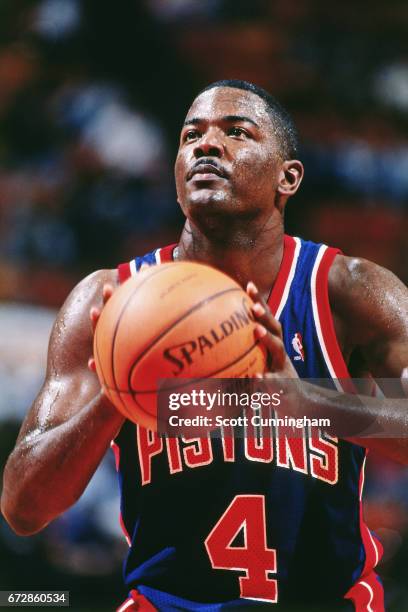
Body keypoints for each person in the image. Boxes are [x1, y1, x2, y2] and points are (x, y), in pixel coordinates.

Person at [2, 80, 408, 611]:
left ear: (289, 178)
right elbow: (24, 508)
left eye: (236, 131)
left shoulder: (350, 290)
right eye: (191, 135)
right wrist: (114, 396)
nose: (206, 145)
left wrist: (310, 404)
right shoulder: (108, 300)